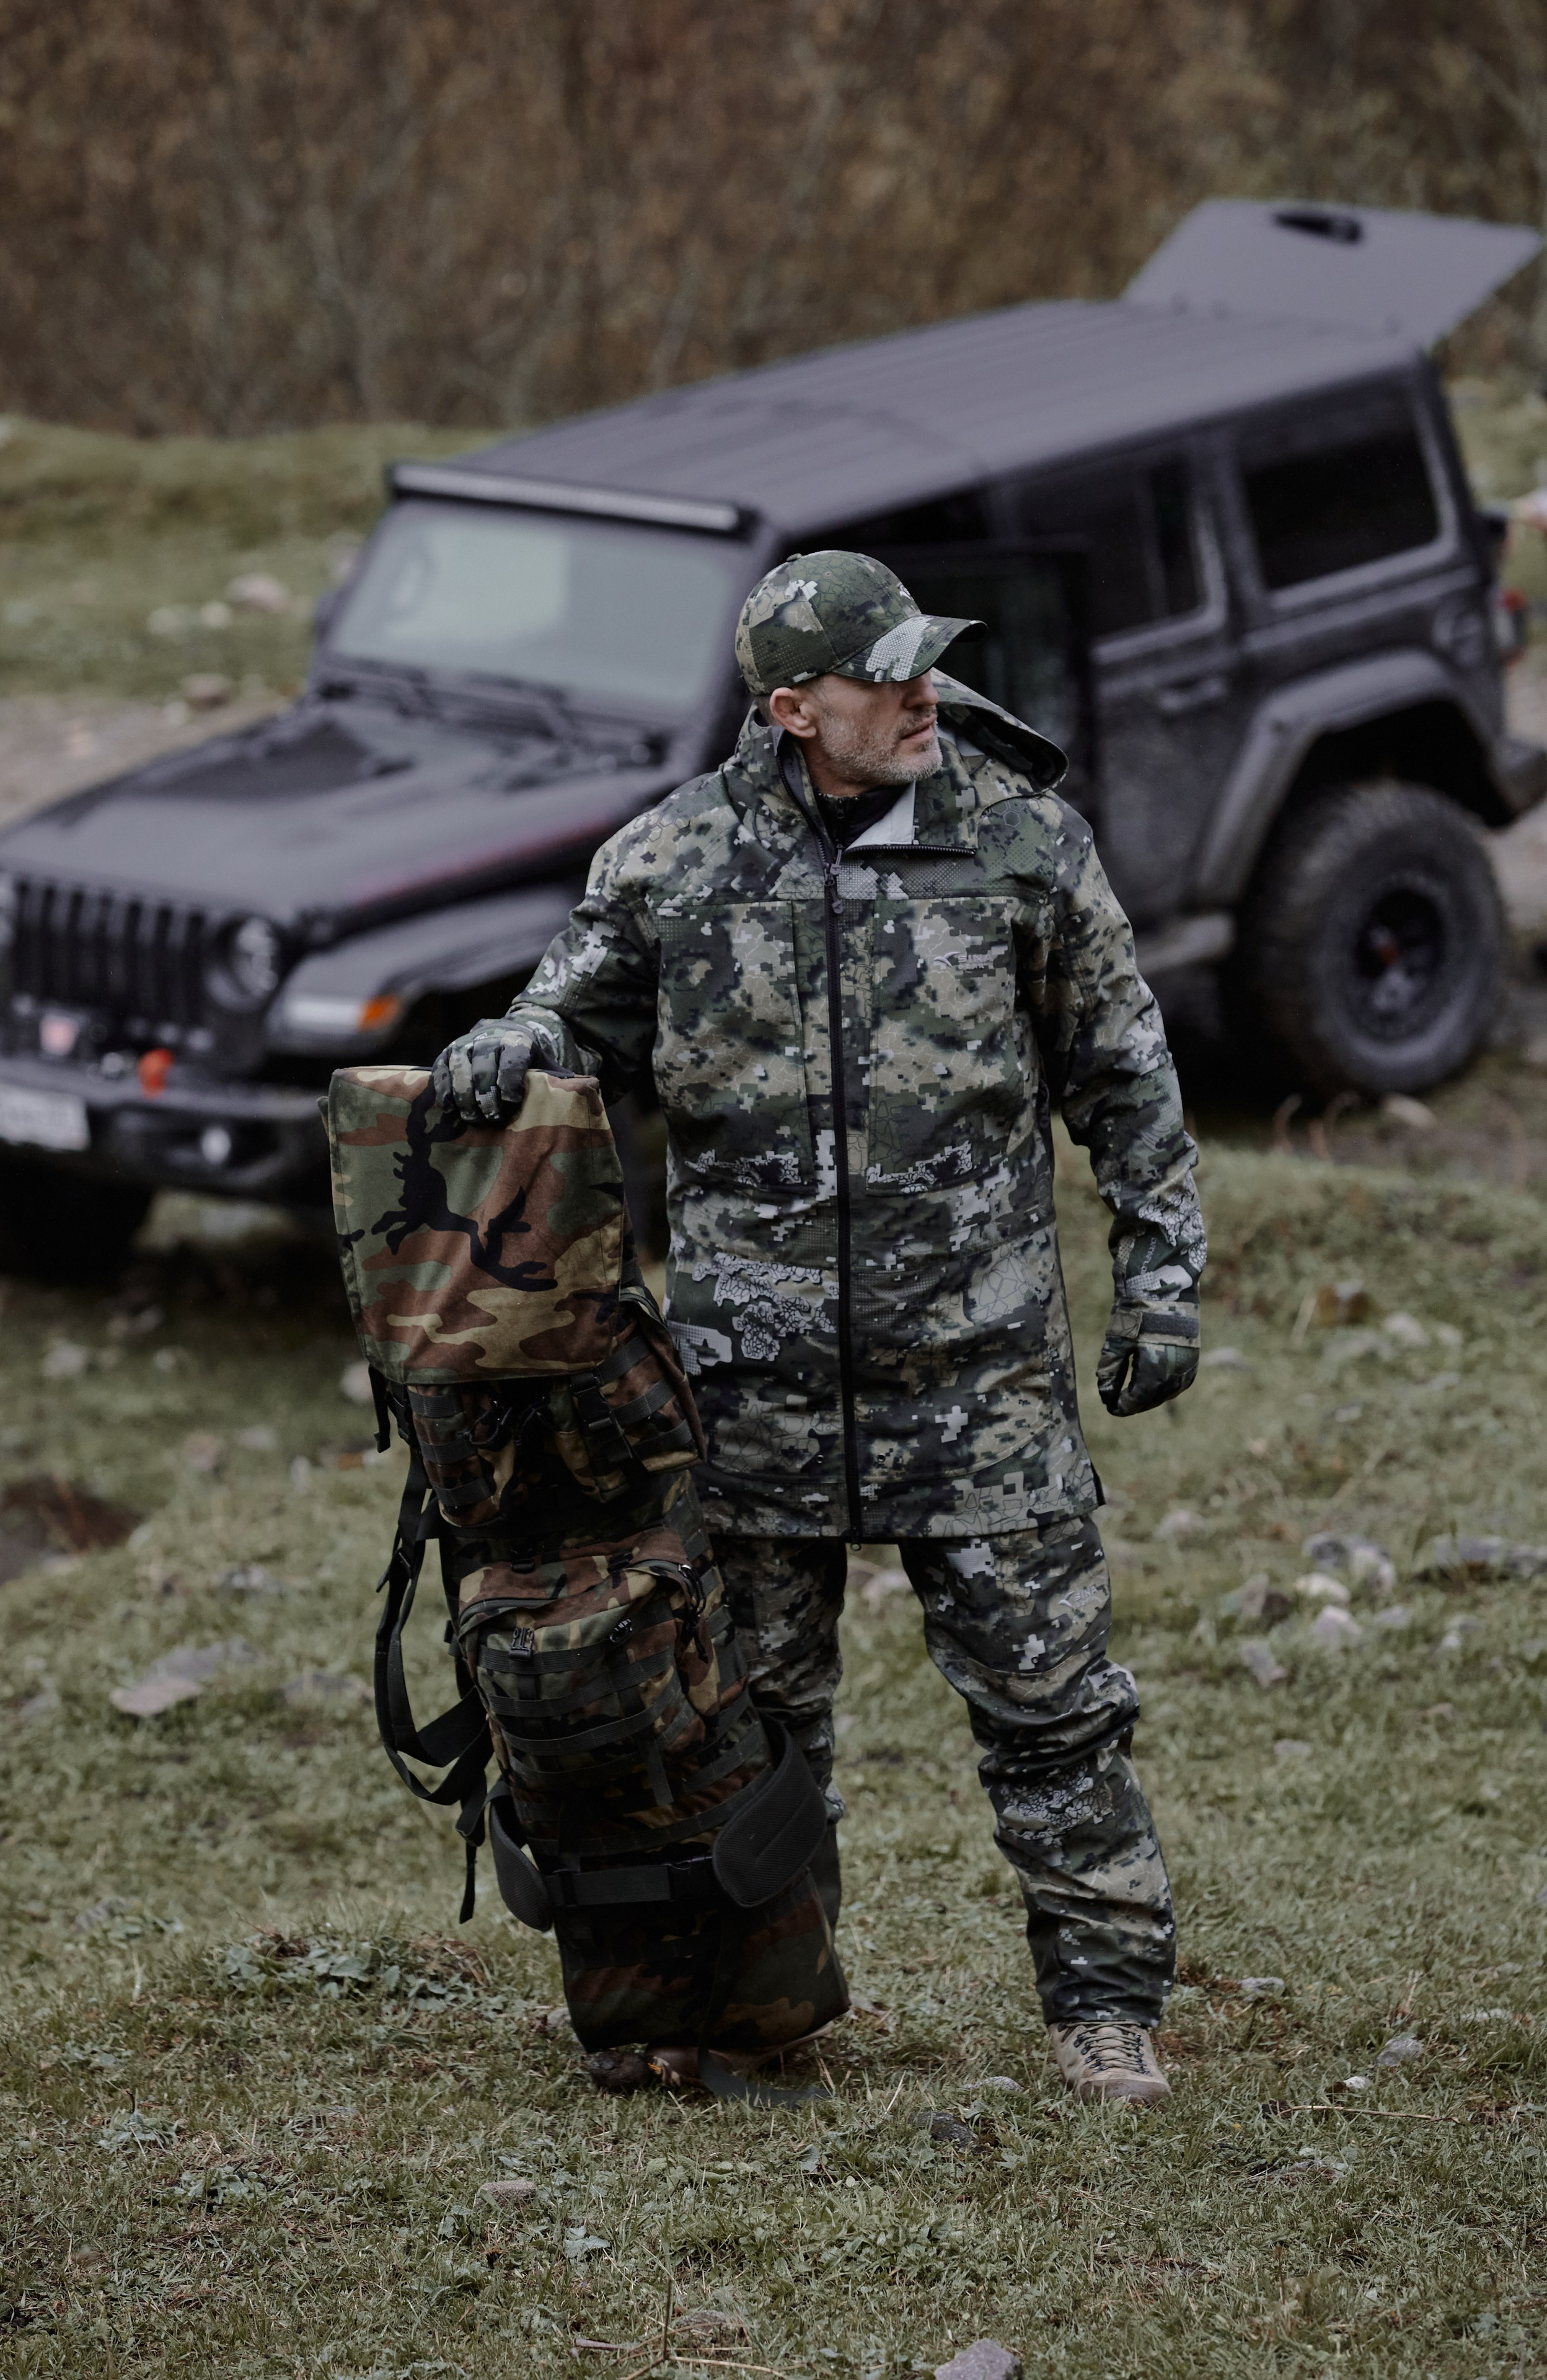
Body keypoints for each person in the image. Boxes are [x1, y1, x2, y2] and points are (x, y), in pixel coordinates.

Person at [432, 551, 1204, 2106]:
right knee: (753, 1737)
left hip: (978, 1389)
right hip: (748, 1400)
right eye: (885, 676)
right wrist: (510, 1039)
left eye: (929, 662)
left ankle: (1104, 2012)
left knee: (1053, 1718)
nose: (924, 694)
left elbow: (1122, 1073)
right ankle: (759, 2016)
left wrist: (1160, 1277)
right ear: (794, 710)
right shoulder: (672, 861)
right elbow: (566, 1010)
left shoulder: (1018, 845)